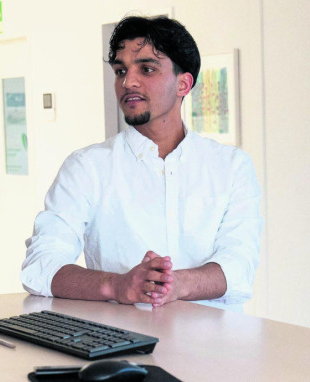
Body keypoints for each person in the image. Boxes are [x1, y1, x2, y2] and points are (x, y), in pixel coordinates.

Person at [21, 16, 262, 311]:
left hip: (216, 346)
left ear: (183, 84)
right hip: (119, 346)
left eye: (146, 69)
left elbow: (239, 266)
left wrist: (176, 284)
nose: (128, 82)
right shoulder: (87, 167)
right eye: (120, 70)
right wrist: (118, 285)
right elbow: (40, 266)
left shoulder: (231, 167)